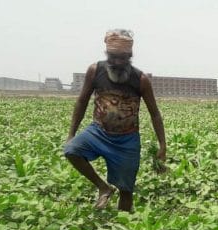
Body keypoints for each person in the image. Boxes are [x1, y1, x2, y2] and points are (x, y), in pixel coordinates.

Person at [64, 29, 166, 211]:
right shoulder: (95, 71)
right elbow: (81, 101)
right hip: (98, 132)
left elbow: (155, 114)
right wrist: (71, 133)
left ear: (130, 56)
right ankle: (103, 187)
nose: (118, 62)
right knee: (72, 150)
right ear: (107, 54)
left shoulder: (140, 79)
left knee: (126, 190)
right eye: (114, 57)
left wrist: (162, 145)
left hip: (127, 140)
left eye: (124, 57)